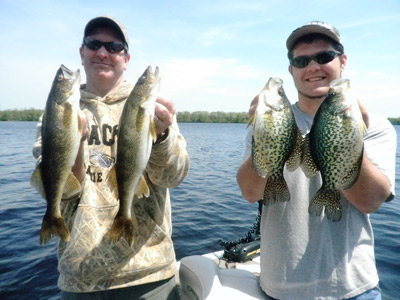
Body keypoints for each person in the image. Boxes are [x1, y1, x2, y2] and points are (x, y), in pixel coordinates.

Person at [32, 16, 189, 299]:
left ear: (126, 58)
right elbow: (58, 193)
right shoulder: (54, 116)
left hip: (150, 274)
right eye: (94, 44)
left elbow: (173, 177)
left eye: (114, 46)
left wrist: (162, 136)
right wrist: (77, 145)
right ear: (82, 52)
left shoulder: (155, 111)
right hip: (81, 280)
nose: (102, 53)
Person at [237, 21, 396, 300]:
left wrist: (352, 140)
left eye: (324, 57)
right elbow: (251, 192)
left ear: (342, 61)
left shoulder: (375, 125)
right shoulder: (273, 121)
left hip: (353, 289)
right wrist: (264, 135)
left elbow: (370, 202)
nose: (313, 67)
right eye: (302, 61)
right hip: (280, 289)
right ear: (292, 70)